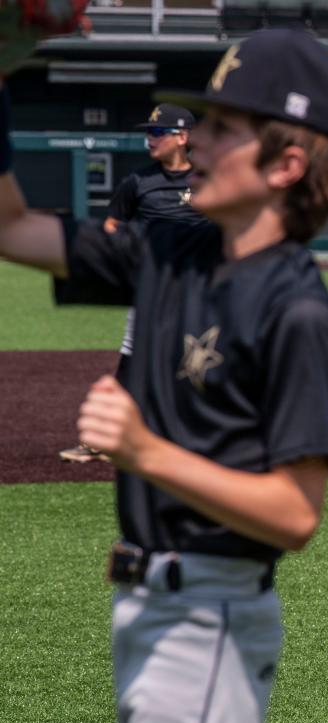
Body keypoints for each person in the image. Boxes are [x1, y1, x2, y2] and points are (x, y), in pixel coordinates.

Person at [0, 29, 328, 723]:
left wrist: (143, 448)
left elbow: (295, 514)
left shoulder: (299, 311)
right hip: (151, 607)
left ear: (287, 162)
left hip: (209, 619)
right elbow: (11, 228)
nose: (194, 143)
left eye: (222, 128)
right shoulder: (172, 250)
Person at [59, 102, 208, 464]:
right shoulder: (138, 182)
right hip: (152, 285)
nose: (150, 138)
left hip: (200, 286)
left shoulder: (209, 180)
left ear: (182, 137)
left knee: (201, 360)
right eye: (148, 131)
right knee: (133, 357)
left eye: (158, 132)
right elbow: (112, 228)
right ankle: (106, 438)